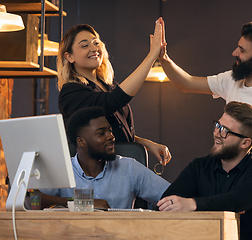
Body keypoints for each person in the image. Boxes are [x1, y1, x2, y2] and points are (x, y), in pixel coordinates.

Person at [158, 20, 252, 153]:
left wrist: (247, 141)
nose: (234, 53)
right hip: (231, 168)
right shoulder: (231, 79)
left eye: (242, 50)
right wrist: (163, 58)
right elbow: (186, 84)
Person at [57, 18, 171, 165]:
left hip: (125, 165)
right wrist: (151, 57)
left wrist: (147, 144)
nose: (93, 48)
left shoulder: (110, 86)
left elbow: (118, 131)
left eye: (96, 42)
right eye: (84, 45)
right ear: (69, 56)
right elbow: (112, 102)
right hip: (98, 171)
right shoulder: (71, 93)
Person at [157, 101, 252, 240]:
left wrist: (192, 204)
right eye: (218, 126)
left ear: (245, 143)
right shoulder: (198, 167)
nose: (217, 133)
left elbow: (234, 201)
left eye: (226, 131)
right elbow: (167, 203)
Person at [40, 107, 170, 209]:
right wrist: (80, 202)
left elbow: (172, 196)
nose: (111, 136)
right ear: (81, 142)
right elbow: (32, 199)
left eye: (110, 131)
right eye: (101, 133)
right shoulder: (61, 170)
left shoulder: (129, 168)